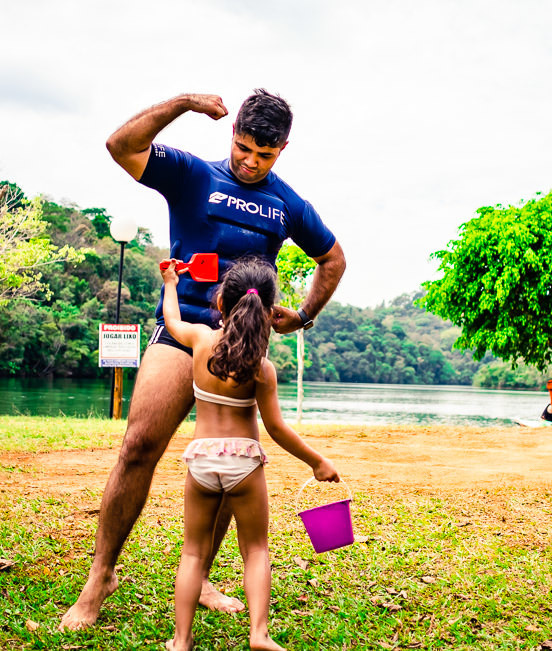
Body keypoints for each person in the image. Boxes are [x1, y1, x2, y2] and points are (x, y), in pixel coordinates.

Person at [60, 90, 346, 631]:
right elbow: (121, 145)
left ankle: (205, 576)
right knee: (138, 445)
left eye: (264, 154)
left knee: (229, 459)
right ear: (233, 131)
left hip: (241, 345)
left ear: (282, 149)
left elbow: (332, 258)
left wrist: (303, 315)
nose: (250, 161)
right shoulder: (192, 175)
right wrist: (185, 103)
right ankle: (100, 576)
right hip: (182, 331)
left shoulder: (287, 204)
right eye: (243, 147)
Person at [159, 256, 339, 651]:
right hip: (244, 462)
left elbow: (171, 321)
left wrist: (171, 282)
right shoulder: (262, 367)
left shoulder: (201, 341)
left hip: (202, 460)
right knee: (255, 550)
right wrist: (318, 462)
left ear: (222, 303)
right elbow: (276, 429)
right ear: (270, 313)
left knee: (192, 553)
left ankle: (181, 640)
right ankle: (259, 634)